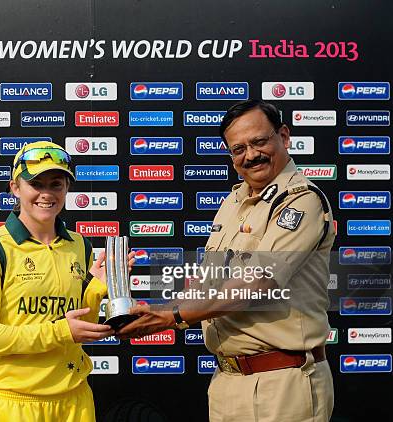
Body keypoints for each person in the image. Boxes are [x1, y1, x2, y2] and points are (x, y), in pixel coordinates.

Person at [118, 100, 335, 422]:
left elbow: (257, 282)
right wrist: (157, 311)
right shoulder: (234, 201)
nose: (251, 155)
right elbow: (211, 284)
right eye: (238, 149)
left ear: (284, 136)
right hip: (227, 380)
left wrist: (172, 316)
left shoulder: (303, 200)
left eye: (260, 141)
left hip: (283, 380)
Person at [0, 141, 130, 422]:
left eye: (56, 184)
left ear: (67, 189)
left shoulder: (79, 245)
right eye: (36, 183)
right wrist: (60, 332)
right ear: (15, 187)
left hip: (75, 399)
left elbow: (78, 326)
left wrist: (99, 288)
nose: (46, 194)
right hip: (14, 403)